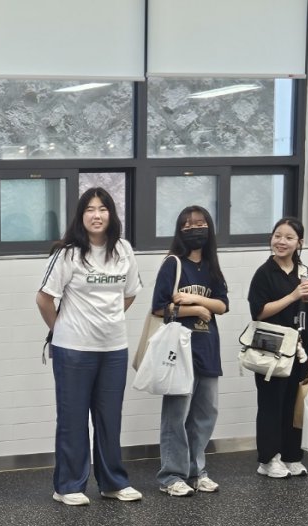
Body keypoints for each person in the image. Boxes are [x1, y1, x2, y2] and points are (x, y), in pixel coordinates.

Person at [35, 187, 143, 506]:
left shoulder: (123, 250)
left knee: (109, 418)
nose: (96, 215)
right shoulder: (68, 253)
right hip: (73, 350)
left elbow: (131, 292)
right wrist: (61, 328)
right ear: (81, 217)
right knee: (73, 418)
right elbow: (44, 298)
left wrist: (107, 319)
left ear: (111, 214)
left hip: (114, 349)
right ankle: (68, 486)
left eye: (103, 209)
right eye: (89, 209)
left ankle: (113, 482)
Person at [151, 205, 229, 497]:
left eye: (199, 223)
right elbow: (159, 307)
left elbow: (222, 304)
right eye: (187, 224)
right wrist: (194, 308)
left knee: (205, 413)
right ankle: (171, 475)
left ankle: (198, 471)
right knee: (177, 415)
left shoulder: (211, 266)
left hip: (208, 348)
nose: (194, 228)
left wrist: (198, 301)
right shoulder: (173, 264)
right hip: (179, 352)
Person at [247, 217, 308, 478]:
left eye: (289, 237)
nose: (281, 242)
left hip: (299, 344)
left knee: (293, 402)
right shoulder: (264, 273)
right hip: (270, 343)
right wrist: (293, 296)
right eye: (278, 235)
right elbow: (259, 312)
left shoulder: (305, 272)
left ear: (300, 243)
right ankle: (267, 459)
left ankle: (291, 455)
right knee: (271, 403)